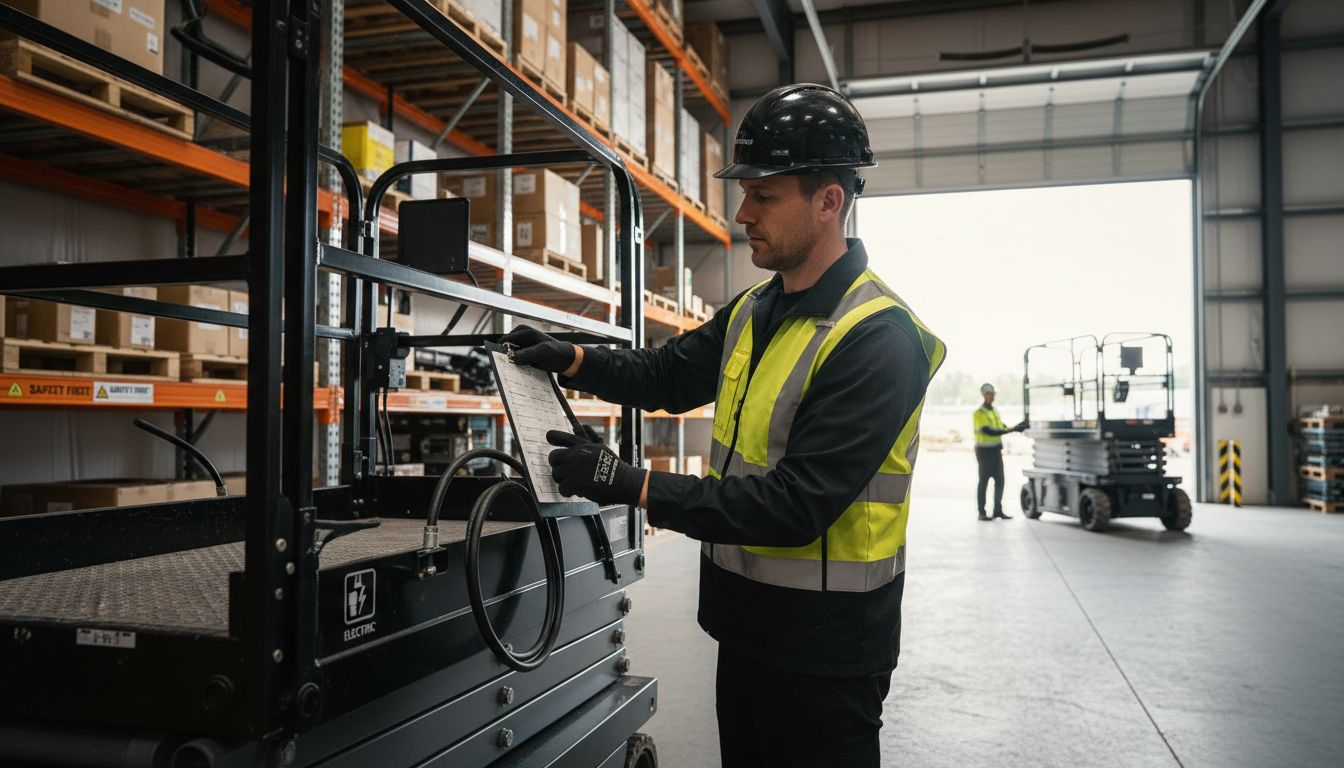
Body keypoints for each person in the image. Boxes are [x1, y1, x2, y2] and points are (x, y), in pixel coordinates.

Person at [501, 83, 944, 768]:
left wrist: (630, 483)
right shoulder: (756, 309)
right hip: (744, 624)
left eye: (763, 196)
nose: (743, 213)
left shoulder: (877, 337)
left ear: (829, 201)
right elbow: (666, 375)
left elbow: (795, 505)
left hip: (826, 649)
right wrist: (574, 358)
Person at [973, 383, 1026, 521]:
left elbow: (1001, 427)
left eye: (994, 394)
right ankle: (982, 512)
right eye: (991, 394)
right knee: (984, 481)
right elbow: (989, 431)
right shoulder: (979, 413)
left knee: (1000, 481)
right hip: (984, 452)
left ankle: (998, 510)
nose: (993, 397)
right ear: (985, 395)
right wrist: (1011, 430)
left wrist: (1015, 428)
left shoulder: (994, 411)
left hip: (996, 451)